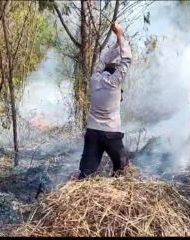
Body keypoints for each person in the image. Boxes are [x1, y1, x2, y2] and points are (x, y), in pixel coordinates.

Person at [74, 22, 132, 180]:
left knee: (86, 172)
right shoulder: (114, 83)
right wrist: (120, 35)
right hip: (111, 133)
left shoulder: (94, 79)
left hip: (92, 131)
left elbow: (103, 60)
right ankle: (117, 192)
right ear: (114, 75)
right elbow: (126, 60)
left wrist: (116, 44)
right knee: (122, 167)